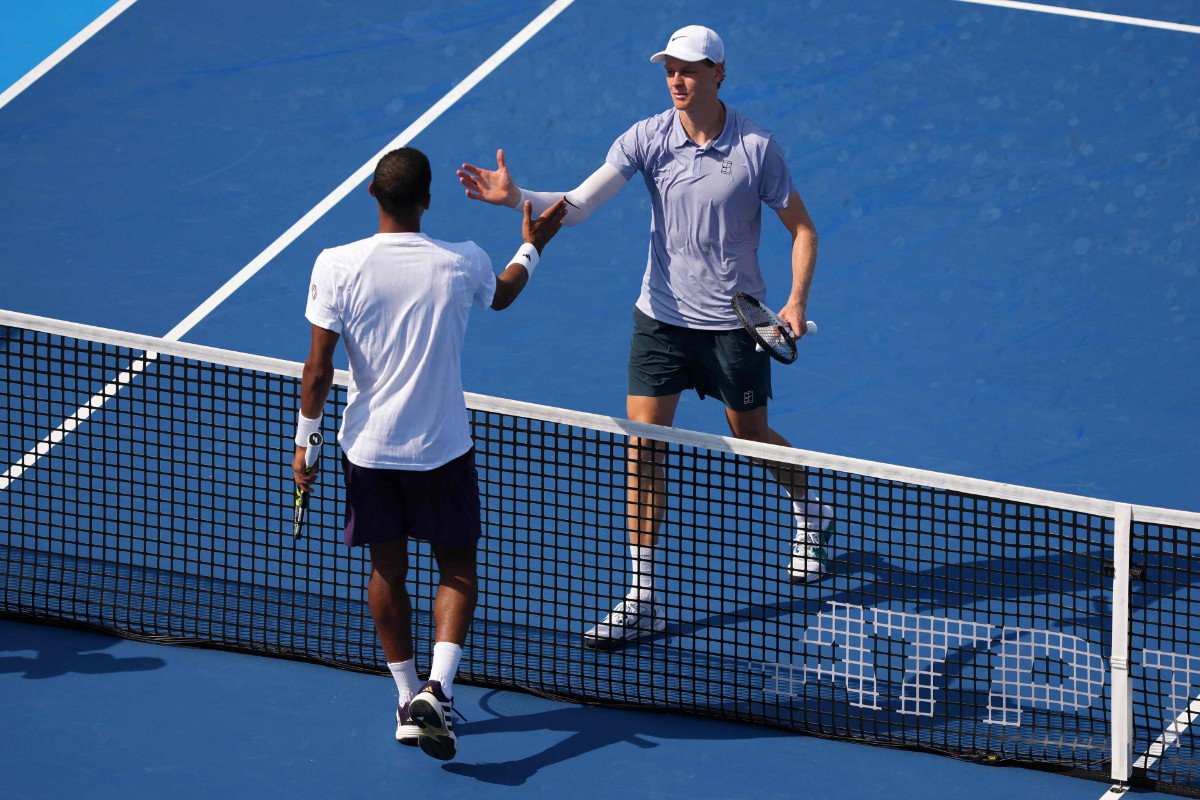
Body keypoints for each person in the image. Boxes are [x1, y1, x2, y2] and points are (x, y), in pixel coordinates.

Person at [456, 25, 831, 650]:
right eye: (669, 69)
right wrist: (517, 196)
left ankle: (811, 511)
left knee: (751, 436)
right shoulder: (648, 137)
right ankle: (643, 596)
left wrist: (795, 301)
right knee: (643, 447)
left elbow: (804, 230)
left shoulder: (757, 149)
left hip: (733, 325)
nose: (676, 79)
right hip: (659, 321)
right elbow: (578, 205)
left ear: (718, 73)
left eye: (689, 69)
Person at [293, 147, 567, 759]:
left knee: (386, 570)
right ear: (427, 201)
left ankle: (407, 697)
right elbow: (503, 295)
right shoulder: (462, 260)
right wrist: (532, 246)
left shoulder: (335, 265)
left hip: (369, 453)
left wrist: (306, 442)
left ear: (372, 193)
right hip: (442, 451)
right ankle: (437, 691)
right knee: (458, 569)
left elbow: (317, 369)